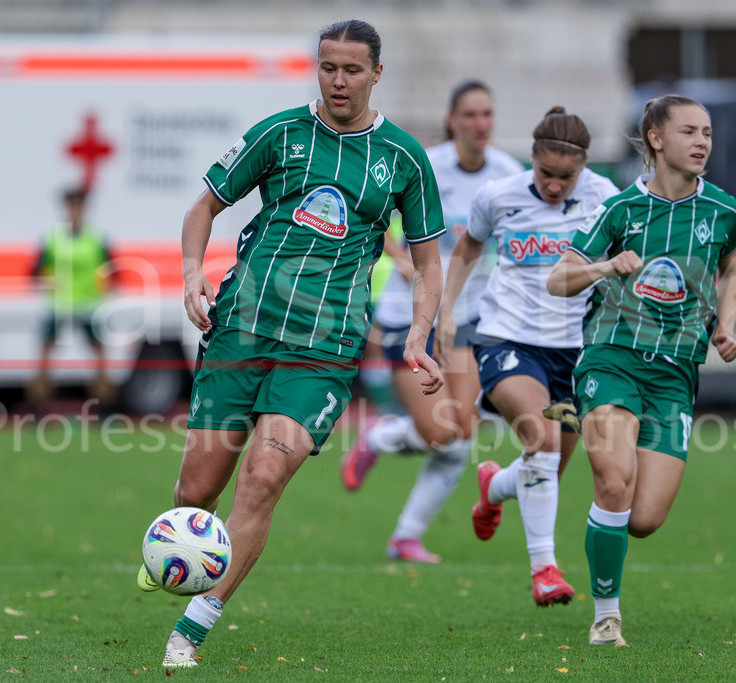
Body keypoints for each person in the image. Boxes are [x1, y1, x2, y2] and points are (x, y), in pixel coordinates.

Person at [152, 20, 446, 668]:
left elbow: (428, 263)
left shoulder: (402, 157)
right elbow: (203, 206)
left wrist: (421, 333)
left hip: (324, 350)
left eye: (352, 69)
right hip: (241, 329)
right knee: (196, 493)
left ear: (376, 73)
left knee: (262, 478)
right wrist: (193, 270)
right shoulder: (280, 134)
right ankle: (175, 545)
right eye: (328, 67)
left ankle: (192, 627)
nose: (338, 80)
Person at [547, 94, 736, 646]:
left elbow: (731, 269)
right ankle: (606, 617)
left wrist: (725, 325)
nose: (702, 141)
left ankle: (586, 426)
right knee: (613, 480)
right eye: (689, 131)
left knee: (643, 518)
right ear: (656, 139)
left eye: (707, 132)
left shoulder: (723, 212)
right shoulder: (620, 210)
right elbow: (558, 280)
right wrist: (606, 265)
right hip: (613, 356)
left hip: (675, 372)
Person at [340, 80, 523, 563]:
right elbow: (372, 219)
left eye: (487, 114)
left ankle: (406, 536)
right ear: (451, 120)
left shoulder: (508, 174)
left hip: (469, 315)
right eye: (469, 115)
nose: (480, 124)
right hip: (412, 314)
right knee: (442, 433)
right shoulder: (424, 165)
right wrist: (405, 260)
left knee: (460, 434)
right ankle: (378, 435)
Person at [440, 106, 618, 603]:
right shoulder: (499, 195)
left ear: (583, 169)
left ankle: (495, 486)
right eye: (546, 173)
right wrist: (447, 313)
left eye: (567, 177)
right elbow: (468, 248)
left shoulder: (605, 197)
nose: (556, 185)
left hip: (579, 349)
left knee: (547, 471)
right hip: (506, 338)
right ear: (532, 159)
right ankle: (545, 571)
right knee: (540, 439)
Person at [28, 187, 115, 411]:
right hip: (59, 304)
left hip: (89, 305)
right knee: (43, 360)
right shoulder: (53, 238)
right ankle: (39, 409)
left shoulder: (95, 238)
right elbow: (35, 271)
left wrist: (105, 285)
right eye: (71, 207)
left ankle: (104, 409)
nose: (75, 212)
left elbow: (112, 271)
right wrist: (46, 280)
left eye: (79, 207)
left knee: (101, 362)